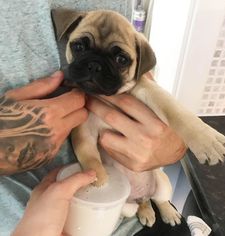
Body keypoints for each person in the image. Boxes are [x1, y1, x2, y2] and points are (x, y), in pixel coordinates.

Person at [0, 0, 187, 235]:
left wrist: (172, 141)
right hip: (18, 222)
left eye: (117, 60)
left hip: (122, 216)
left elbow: (140, 77)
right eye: (79, 47)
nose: (94, 67)